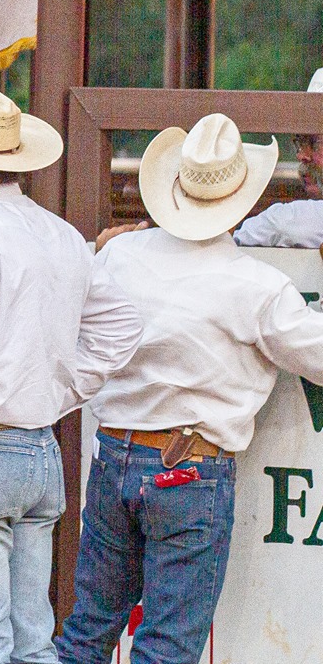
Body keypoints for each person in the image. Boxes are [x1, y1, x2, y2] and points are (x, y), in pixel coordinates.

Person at [57, 113, 323, 664]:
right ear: (240, 200)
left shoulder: (121, 255)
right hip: (191, 468)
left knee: (87, 631)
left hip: (115, 453)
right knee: (168, 646)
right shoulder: (257, 285)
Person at [0, 80, 142, 664]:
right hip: (38, 451)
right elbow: (123, 325)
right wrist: (58, 389)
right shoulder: (60, 236)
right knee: (30, 644)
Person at [231, 66, 323, 248]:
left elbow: (283, 227)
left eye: (313, 142)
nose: (301, 155)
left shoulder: (281, 223)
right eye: (300, 141)